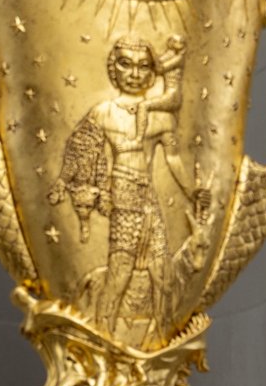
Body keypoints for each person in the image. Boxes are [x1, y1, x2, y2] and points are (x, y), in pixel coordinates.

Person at [49, 36, 212, 337]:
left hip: (147, 198)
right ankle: (103, 339)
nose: (134, 74)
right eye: (126, 64)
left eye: (143, 66)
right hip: (122, 197)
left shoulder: (161, 117)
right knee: (119, 274)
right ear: (114, 68)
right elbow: (79, 147)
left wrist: (192, 192)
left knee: (162, 276)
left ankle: (161, 336)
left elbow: (173, 159)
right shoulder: (103, 113)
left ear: (153, 72)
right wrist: (68, 182)